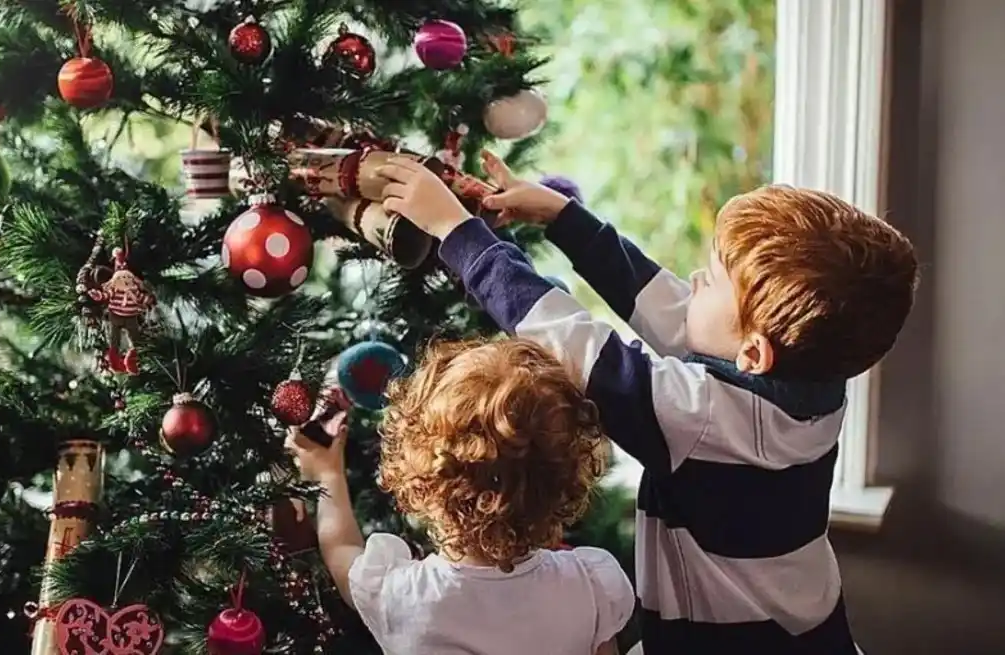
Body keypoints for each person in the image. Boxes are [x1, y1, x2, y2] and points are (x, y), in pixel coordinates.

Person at [372, 151, 918, 655]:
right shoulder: (813, 383)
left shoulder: (702, 419)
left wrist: (456, 232)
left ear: (753, 353)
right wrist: (564, 218)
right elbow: (671, 309)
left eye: (711, 281)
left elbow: (572, 341)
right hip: (812, 632)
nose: (694, 281)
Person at [286, 338, 632, 655]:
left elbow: (342, 551)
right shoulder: (589, 585)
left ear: (423, 478)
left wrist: (328, 473)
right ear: (564, 480)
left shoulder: (404, 597)